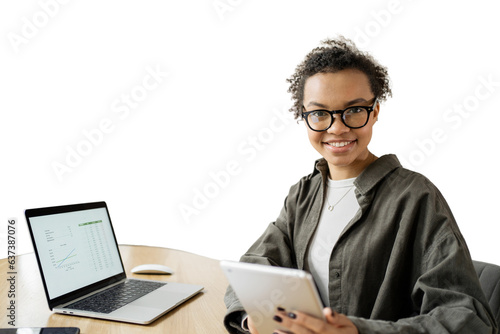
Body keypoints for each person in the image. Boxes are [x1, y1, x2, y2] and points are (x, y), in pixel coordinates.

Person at [223, 36, 498, 334]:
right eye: (319, 113)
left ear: (375, 112)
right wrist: (259, 318)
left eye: (354, 110)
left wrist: (358, 331)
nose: (337, 127)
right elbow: (255, 266)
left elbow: (468, 319)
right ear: (304, 117)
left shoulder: (415, 197)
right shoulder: (303, 194)